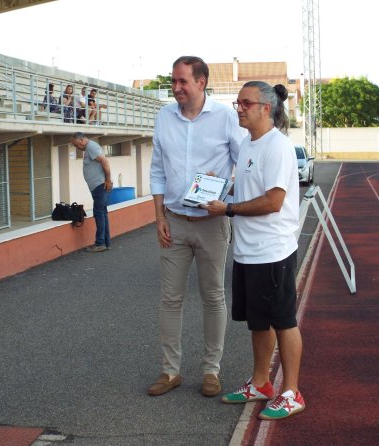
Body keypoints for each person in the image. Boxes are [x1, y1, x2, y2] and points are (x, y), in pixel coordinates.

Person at [203, 81, 304, 420]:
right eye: (237, 102)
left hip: (273, 251)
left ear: (266, 108)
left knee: (284, 322)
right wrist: (218, 185)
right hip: (247, 252)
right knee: (258, 324)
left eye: (245, 103)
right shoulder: (248, 144)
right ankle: (261, 383)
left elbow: (274, 201)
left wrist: (227, 210)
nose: (239, 108)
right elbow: (246, 188)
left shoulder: (277, 146)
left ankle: (291, 392)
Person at [148, 56, 245, 398]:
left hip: (212, 224)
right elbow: (157, 169)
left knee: (213, 296)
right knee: (170, 299)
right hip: (174, 221)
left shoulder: (225, 118)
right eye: (173, 81)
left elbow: (243, 165)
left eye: (182, 82)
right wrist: (159, 217)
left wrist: (227, 188)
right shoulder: (164, 117)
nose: (175, 88)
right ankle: (170, 371)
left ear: (201, 82)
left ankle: (211, 371)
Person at [70, 132, 113, 252]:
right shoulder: (89, 148)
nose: (76, 147)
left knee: (99, 213)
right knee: (102, 213)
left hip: (100, 185)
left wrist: (108, 180)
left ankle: (100, 243)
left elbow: (104, 161)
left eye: (76, 144)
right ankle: (106, 242)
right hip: (98, 186)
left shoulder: (91, 147)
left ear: (82, 140)